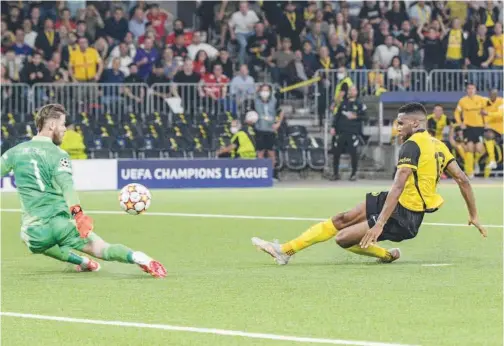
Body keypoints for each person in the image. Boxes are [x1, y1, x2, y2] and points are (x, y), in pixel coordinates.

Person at [252, 103, 487, 265]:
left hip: (405, 215)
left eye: (401, 123)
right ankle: (284, 251)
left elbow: (398, 186)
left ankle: (386, 255)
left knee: (343, 238)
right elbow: (462, 179)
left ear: (415, 123)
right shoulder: (438, 145)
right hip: (396, 202)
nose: (397, 128)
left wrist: (379, 225)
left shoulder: (412, 145)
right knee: (343, 218)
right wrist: (474, 214)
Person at [0, 104, 166, 278]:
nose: (65, 129)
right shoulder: (58, 154)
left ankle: (83, 262)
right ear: (51, 126)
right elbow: (67, 187)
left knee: (33, 241)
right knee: (102, 249)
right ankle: (140, 258)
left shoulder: (14, 152)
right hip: (62, 225)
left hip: (34, 231)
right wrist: (78, 216)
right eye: (63, 124)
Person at [330, 86, 366, 181]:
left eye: (353, 90)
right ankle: (335, 174)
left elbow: (365, 117)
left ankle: (353, 174)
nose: (351, 92)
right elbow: (337, 116)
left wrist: (356, 116)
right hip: (341, 132)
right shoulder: (343, 103)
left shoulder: (359, 104)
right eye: (350, 90)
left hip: (352, 132)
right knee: (336, 153)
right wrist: (333, 127)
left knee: (353, 154)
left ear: (357, 92)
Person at [454, 83, 488, 178]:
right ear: (466, 90)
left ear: (475, 90)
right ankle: (470, 172)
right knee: (469, 148)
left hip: (479, 127)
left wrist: (486, 123)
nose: (470, 90)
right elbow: (457, 113)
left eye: (472, 88)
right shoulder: (462, 101)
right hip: (468, 127)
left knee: (479, 149)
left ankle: (475, 162)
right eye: (469, 88)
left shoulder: (481, 99)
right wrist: (460, 123)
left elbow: (485, 112)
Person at [254, 84, 284, 179]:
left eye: (267, 90)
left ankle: (273, 174)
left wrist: (278, 123)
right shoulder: (255, 101)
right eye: (263, 90)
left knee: (271, 153)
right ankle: (261, 175)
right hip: (259, 130)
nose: (265, 92)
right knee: (260, 152)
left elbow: (281, 112)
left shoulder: (274, 101)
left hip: (270, 130)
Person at [481, 89, 503, 174]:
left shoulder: (501, 101)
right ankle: (492, 161)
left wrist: (488, 114)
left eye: (495, 93)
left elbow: (500, 114)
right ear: (489, 94)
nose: (493, 95)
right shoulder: (485, 102)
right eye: (491, 93)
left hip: (500, 129)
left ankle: (493, 160)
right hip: (488, 128)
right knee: (487, 138)